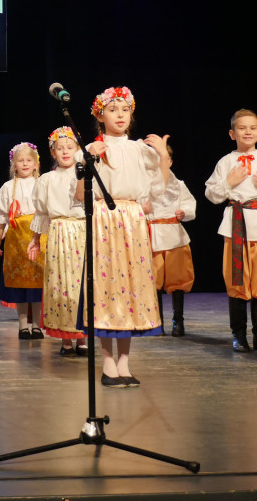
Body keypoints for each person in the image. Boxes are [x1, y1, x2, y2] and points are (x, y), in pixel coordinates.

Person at [83, 87, 170, 388]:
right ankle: (107, 361)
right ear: (100, 115)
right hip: (106, 218)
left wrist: (162, 155)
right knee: (108, 288)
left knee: (132, 287)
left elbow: (158, 188)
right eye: (113, 109)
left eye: (125, 110)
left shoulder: (138, 149)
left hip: (132, 219)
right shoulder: (94, 147)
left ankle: (125, 362)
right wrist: (87, 161)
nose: (120, 115)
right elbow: (78, 190)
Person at [204, 109, 257, 354]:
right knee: (237, 280)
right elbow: (211, 194)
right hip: (236, 226)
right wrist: (228, 183)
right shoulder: (226, 161)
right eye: (242, 128)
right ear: (232, 133)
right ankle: (238, 335)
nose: (248, 131)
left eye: (253, 127)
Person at [26, 127, 88, 357]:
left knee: (80, 284)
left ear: (78, 150)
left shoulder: (84, 175)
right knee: (61, 284)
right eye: (60, 148)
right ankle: (66, 340)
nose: (65, 152)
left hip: (81, 231)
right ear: (52, 152)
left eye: (69, 148)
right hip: (59, 232)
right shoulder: (46, 180)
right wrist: (35, 238)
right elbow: (41, 212)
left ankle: (81, 336)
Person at [0, 142, 44, 340]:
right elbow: (2, 217)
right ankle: (23, 325)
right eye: (20, 161)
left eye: (28, 160)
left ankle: (37, 325)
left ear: (36, 164)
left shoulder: (42, 183)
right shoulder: (8, 187)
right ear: (14, 165)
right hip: (16, 240)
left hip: (38, 237)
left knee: (37, 283)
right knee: (20, 285)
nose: (24, 164)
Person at [148, 143, 196, 337]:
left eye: (163, 158)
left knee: (178, 280)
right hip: (152, 235)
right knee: (154, 282)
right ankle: (156, 322)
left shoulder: (178, 184)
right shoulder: (145, 182)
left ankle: (178, 320)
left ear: (170, 161)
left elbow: (190, 203)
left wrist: (185, 212)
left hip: (175, 236)